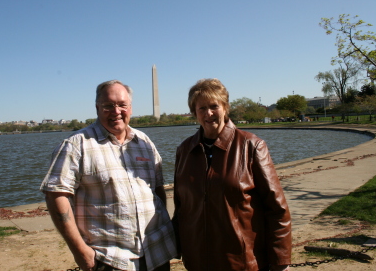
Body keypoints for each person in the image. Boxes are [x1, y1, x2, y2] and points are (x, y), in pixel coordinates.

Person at [41, 80, 177, 271]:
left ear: (130, 108)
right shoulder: (76, 145)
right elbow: (55, 195)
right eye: (108, 106)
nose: (116, 111)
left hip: (157, 252)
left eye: (122, 105)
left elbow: (157, 189)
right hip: (111, 258)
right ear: (97, 108)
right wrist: (80, 250)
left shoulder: (144, 142)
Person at [173, 78, 292, 271]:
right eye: (201, 108)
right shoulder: (185, 150)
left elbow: (277, 208)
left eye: (214, 106)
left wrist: (281, 260)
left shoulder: (251, 146)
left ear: (225, 107)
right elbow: (181, 208)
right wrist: (176, 248)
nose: (208, 113)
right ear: (194, 112)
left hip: (242, 262)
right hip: (197, 261)